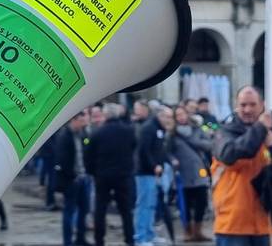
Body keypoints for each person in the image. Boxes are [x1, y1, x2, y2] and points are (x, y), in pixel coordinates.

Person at [212, 86, 272, 246]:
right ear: (236, 106)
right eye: (243, 105)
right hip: (233, 223)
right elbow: (230, 154)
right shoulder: (225, 132)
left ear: (262, 105)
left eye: (252, 104)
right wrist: (260, 128)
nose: (247, 109)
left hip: (267, 221)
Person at [85, 103, 137, 246]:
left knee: (100, 209)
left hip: (102, 175)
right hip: (123, 175)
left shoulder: (97, 133)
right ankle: (130, 239)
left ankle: (99, 240)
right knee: (126, 210)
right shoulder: (128, 131)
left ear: (105, 115)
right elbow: (133, 147)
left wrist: (92, 172)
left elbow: (88, 155)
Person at [170, 105, 213, 242]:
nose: (181, 117)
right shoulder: (172, 135)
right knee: (186, 204)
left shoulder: (197, 129)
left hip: (199, 170)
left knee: (202, 201)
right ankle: (187, 232)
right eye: (178, 115)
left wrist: (196, 142)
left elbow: (209, 144)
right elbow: (166, 151)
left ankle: (198, 231)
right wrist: (173, 160)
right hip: (183, 174)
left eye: (183, 114)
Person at [134, 106, 174, 246]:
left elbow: (159, 150)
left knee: (151, 205)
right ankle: (140, 237)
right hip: (145, 173)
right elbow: (143, 150)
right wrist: (153, 165)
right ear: (160, 116)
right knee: (144, 204)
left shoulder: (159, 129)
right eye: (167, 117)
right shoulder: (149, 128)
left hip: (155, 173)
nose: (169, 120)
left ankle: (149, 234)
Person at [55, 111, 92, 246]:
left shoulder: (82, 134)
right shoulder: (64, 136)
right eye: (81, 121)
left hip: (83, 178)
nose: (83, 124)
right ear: (73, 120)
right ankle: (68, 241)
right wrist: (72, 176)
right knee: (69, 211)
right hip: (71, 180)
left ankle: (80, 238)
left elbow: (87, 148)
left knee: (84, 209)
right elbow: (62, 159)